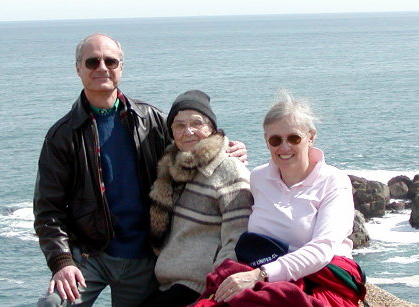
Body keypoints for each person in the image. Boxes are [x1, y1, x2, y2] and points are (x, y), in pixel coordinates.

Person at [33, 34, 247, 307]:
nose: (102, 67)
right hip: (90, 256)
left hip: (144, 258)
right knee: (51, 304)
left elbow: (191, 143)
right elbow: (47, 209)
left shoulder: (150, 120)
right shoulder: (63, 135)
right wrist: (62, 262)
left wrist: (228, 147)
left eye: (110, 61)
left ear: (121, 67)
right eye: (92, 61)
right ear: (78, 68)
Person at [212, 90, 366, 307]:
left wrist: (260, 275)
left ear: (310, 137)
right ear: (267, 142)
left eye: (293, 138)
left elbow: (322, 248)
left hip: (319, 276)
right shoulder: (258, 178)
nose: (284, 147)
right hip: (263, 269)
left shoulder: (334, 181)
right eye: (275, 140)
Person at [140, 90, 253, 307]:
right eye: (179, 125)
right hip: (168, 281)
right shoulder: (173, 168)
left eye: (197, 123)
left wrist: (215, 288)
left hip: (199, 287)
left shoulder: (229, 171)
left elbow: (238, 238)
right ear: (172, 133)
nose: (188, 131)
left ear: (211, 128)